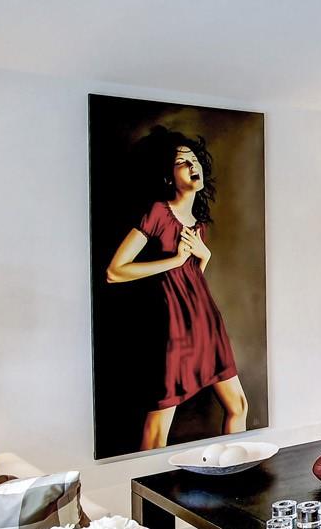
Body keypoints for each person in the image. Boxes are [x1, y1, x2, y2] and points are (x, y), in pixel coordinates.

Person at [104, 129, 248, 451]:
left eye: (194, 159)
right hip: (174, 330)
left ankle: (232, 473)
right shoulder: (158, 213)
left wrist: (204, 256)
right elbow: (114, 272)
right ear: (169, 176)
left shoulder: (198, 224)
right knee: (158, 429)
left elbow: (190, 279)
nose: (192, 165)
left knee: (238, 405)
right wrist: (175, 260)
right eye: (182, 162)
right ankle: (147, 485)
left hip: (208, 325)